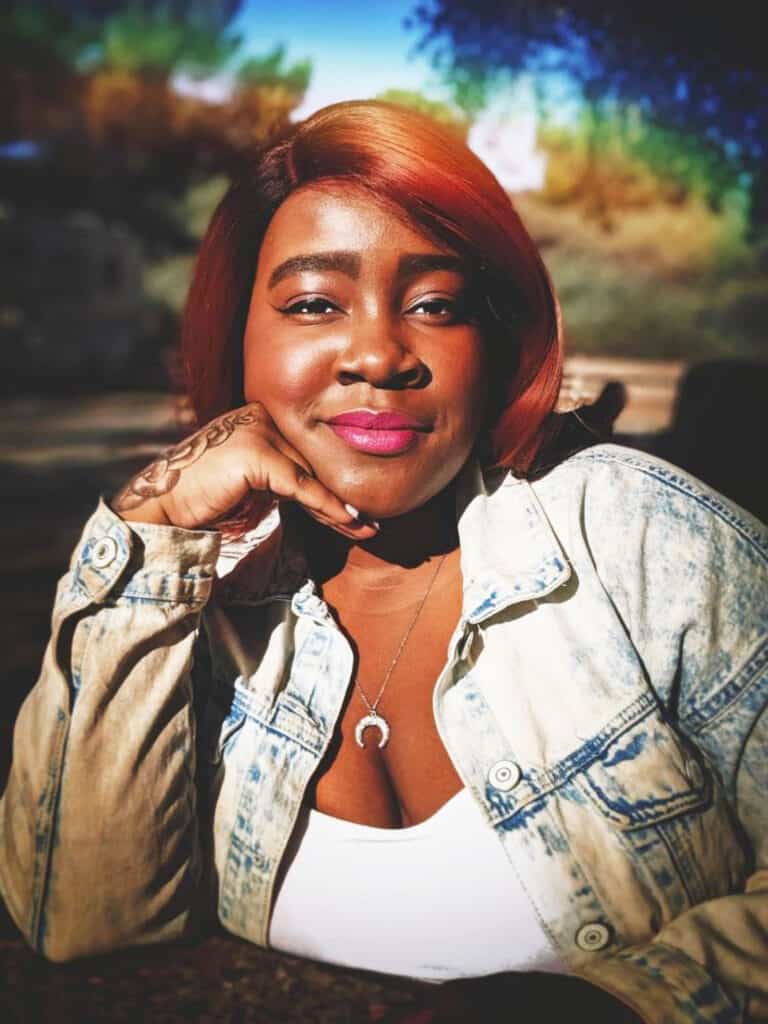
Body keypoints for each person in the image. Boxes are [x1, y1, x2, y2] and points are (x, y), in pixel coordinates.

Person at [1, 100, 766, 1024]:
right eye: (314, 304)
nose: (377, 354)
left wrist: (631, 1003)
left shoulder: (638, 535)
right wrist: (152, 529)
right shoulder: (198, 596)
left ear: (494, 340)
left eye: (436, 305)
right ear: (240, 334)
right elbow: (84, 921)